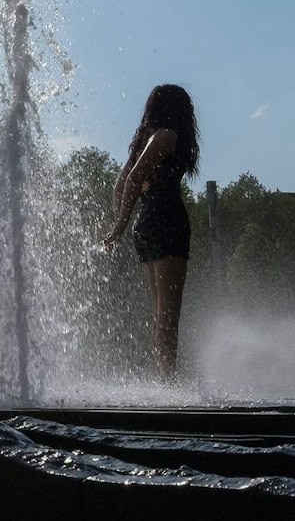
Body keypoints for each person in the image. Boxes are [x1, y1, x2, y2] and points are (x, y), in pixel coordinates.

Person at [101, 83, 201, 379]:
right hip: (167, 220)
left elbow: (120, 185)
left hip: (145, 223)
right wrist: (118, 227)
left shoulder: (145, 139)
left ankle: (164, 377)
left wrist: (121, 221)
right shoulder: (167, 136)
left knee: (159, 311)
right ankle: (168, 380)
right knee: (169, 312)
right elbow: (131, 181)